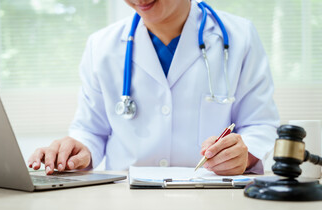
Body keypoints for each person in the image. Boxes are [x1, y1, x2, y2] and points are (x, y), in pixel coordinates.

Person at [28, 0, 279, 176]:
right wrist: (78, 150)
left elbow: (260, 124)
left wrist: (243, 155)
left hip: (210, 196)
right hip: (125, 201)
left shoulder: (239, 36)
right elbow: (90, 130)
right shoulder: (101, 46)